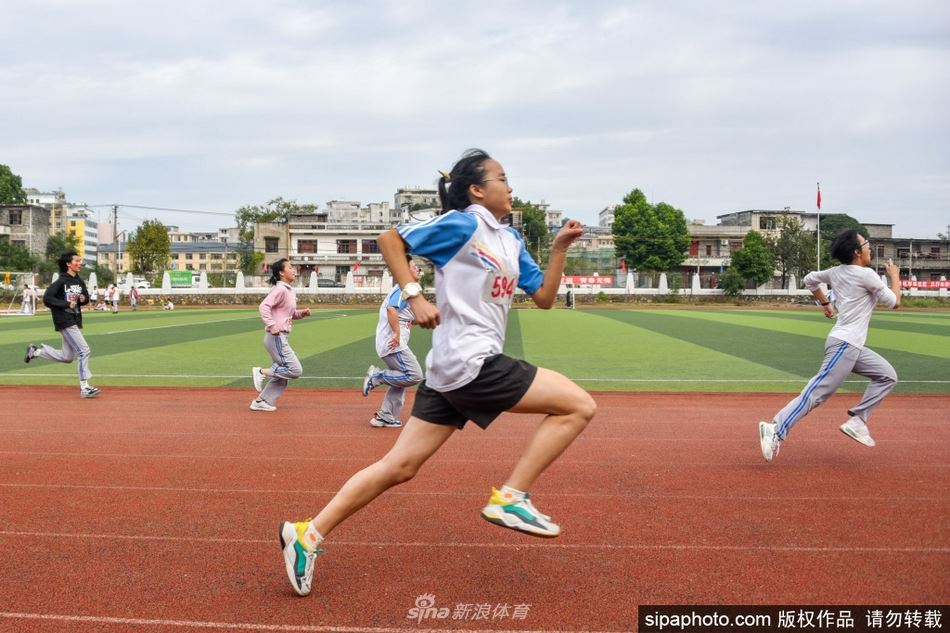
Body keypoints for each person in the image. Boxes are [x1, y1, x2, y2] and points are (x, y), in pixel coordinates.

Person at [278, 148, 596, 597]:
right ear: (477, 190)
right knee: (578, 406)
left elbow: (543, 296)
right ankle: (512, 498)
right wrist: (414, 296)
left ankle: (306, 534)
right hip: (471, 363)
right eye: (502, 178)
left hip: (452, 370)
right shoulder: (464, 225)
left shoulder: (510, 240)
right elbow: (390, 239)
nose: (511, 187)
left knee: (399, 466)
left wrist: (559, 248)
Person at [758, 230, 901, 462]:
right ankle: (775, 428)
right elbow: (894, 302)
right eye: (866, 243)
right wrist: (895, 276)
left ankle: (858, 420)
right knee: (817, 393)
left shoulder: (835, 272)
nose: (869, 247)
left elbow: (809, 280)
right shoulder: (867, 275)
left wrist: (825, 304)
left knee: (887, 376)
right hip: (844, 344)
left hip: (851, 345)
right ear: (857, 252)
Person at [24, 251, 100, 398]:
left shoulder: (79, 281)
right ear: (68, 264)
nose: (79, 263)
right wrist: (66, 304)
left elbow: (85, 297)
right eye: (77, 261)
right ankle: (85, 387)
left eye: (80, 261)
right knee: (84, 350)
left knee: (67, 357)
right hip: (64, 320)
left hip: (74, 319)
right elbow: (47, 299)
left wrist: (83, 299)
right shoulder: (61, 281)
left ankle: (36, 352)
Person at [361, 255, 425, 428]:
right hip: (393, 344)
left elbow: (407, 317)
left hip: (392, 343)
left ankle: (386, 416)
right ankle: (377, 377)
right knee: (414, 375)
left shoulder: (409, 290)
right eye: (414, 267)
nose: (418, 270)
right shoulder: (405, 287)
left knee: (400, 378)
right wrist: (397, 334)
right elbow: (391, 309)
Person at [250, 259, 311, 412]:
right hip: (276, 336)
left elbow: (288, 314)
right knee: (295, 370)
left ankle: (261, 401)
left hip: (280, 337)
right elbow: (263, 306)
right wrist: (272, 325)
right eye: (290, 267)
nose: (294, 270)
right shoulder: (280, 289)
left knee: (282, 375)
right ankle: (261, 372)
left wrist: (301, 314)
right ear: (281, 273)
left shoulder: (289, 290)